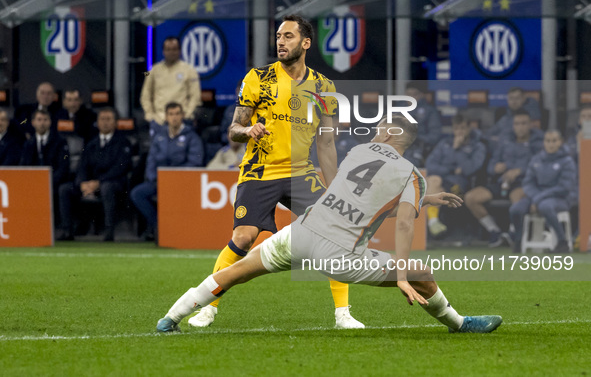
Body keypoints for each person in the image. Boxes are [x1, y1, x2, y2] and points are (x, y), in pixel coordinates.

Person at [156, 116, 502, 334]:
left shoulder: (360, 153)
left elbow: (362, 201)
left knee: (236, 272)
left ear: (387, 133)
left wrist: (423, 200)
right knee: (421, 272)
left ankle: (170, 318)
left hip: (302, 233)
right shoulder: (412, 175)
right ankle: (460, 324)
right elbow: (403, 225)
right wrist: (401, 271)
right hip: (339, 256)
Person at [189, 14, 362, 329]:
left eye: (289, 36)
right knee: (243, 238)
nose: (280, 42)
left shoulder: (324, 87)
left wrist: (335, 188)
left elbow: (326, 145)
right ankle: (207, 308)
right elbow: (233, 130)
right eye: (279, 36)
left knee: (333, 231)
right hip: (261, 171)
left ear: (306, 43)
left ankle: (343, 315)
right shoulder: (259, 78)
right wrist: (248, 130)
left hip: (301, 173)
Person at [464, 110, 543, 247]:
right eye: (517, 124)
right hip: (501, 182)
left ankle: (514, 233)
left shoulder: (538, 142)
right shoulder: (505, 141)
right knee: (471, 198)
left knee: (518, 197)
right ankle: (494, 231)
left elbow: (540, 165)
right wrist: (496, 168)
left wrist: (520, 170)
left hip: (523, 183)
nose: (520, 127)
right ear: (513, 126)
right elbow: (490, 166)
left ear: (530, 125)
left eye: (524, 123)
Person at [130, 102, 204, 241]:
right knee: (137, 193)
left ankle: (172, 230)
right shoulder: (159, 137)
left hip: (182, 183)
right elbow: (151, 161)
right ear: (166, 117)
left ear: (182, 115)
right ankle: (158, 226)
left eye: (177, 114)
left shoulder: (191, 137)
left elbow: (195, 163)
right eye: (171, 114)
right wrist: (155, 179)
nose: (174, 117)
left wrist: (173, 178)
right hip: (158, 182)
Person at [58, 107, 132, 242]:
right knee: (65, 189)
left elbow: (121, 168)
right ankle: (67, 230)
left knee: (106, 187)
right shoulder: (91, 143)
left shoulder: (123, 142)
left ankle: (109, 231)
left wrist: (98, 182)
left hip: (113, 183)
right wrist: (82, 183)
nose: (105, 123)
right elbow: (82, 166)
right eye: (102, 119)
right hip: (91, 184)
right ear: (97, 122)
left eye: (109, 119)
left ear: (115, 123)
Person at [509, 130, 577, 253]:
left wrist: (538, 198)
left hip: (560, 198)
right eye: (548, 141)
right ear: (543, 143)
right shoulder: (536, 159)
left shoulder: (567, 161)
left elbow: (564, 187)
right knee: (515, 209)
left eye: (554, 141)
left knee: (545, 206)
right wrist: (536, 197)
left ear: (560, 142)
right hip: (536, 196)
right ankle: (518, 240)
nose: (551, 144)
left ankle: (562, 242)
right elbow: (528, 183)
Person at [425, 113, 486, 238]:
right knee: (434, 180)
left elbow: (469, 169)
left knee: (434, 184)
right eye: (457, 128)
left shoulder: (477, 146)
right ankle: (433, 222)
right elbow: (430, 165)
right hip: (442, 184)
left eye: (463, 128)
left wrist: (458, 150)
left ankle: (432, 221)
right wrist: (452, 169)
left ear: (469, 128)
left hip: (460, 189)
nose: (459, 132)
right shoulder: (445, 144)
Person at [140, 37, 202, 135]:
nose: (171, 52)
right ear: (163, 51)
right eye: (168, 49)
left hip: (182, 121)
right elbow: (146, 96)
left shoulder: (189, 71)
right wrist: (150, 116)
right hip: (159, 121)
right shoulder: (154, 70)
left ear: (179, 51)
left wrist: (187, 115)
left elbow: (195, 97)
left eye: (174, 49)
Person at [19, 109, 70, 188]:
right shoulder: (28, 144)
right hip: (32, 183)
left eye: (45, 120)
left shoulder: (60, 142)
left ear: (50, 122)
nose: (42, 123)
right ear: (33, 123)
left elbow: (63, 168)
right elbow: (23, 167)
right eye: (39, 120)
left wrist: (47, 181)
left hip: (53, 184)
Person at [402, 81, 442, 167]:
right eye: (408, 94)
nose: (411, 98)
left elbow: (435, 136)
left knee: (407, 163)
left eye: (414, 94)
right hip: (399, 148)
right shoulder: (397, 110)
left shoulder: (430, 111)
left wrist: (416, 138)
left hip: (420, 150)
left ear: (421, 95)